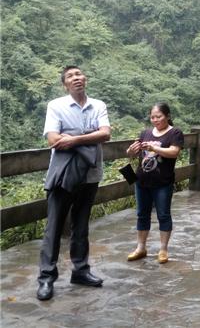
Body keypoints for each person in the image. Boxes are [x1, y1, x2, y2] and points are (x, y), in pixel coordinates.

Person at [37, 66, 111, 301]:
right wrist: (89, 137)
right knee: (54, 228)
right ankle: (46, 278)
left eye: (79, 74)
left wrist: (75, 139)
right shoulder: (56, 106)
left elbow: (105, 134)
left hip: (90, 175)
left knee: (81, 225)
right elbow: (53, 139)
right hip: (64, 175)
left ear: (85, 79)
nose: (76, 78)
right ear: (65, 84)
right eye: (70, 76)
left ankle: (80, 271)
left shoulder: (98, 105)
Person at [125, 103, 183, 264]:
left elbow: (174, 152)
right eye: (152, 117)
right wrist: (131, 150)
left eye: (159, 116)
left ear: (168, 116)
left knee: (163, 214)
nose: (155, 120)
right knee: (142, 214)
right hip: (142, 181)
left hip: (163, 182)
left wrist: (154, 148)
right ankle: (141, 248)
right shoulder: (145, 132)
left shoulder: (175, 132)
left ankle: (163, 249)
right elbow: (132, 154)